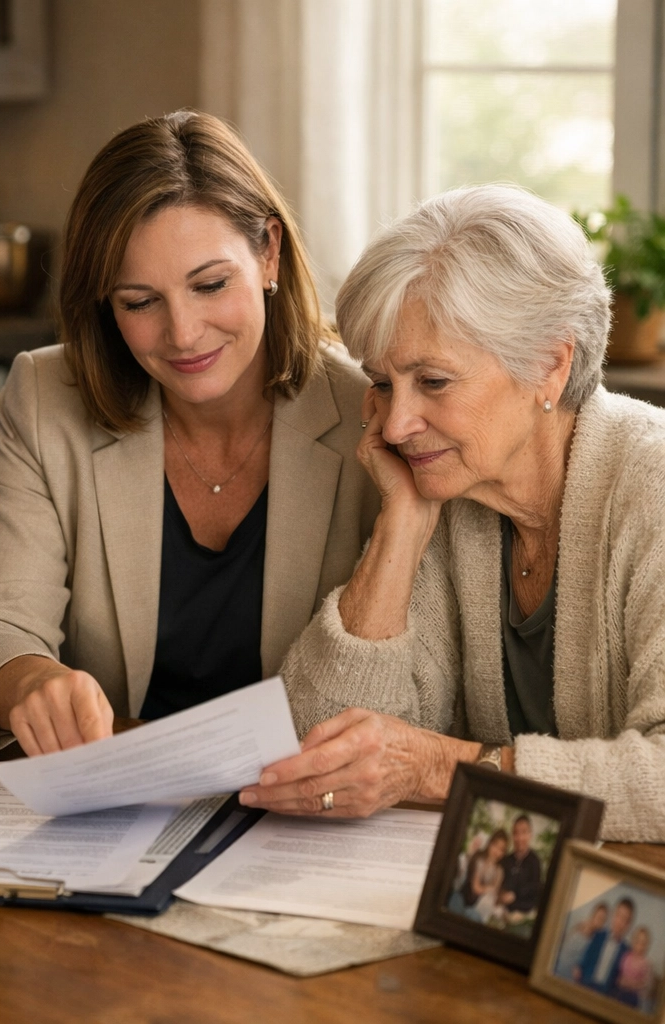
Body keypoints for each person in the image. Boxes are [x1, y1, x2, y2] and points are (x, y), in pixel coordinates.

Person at [0, 111, 378, 755]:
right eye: (139, 301)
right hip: (122, 804)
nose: (183, 333)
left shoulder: (370, 409)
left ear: (269, 253)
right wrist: (30, 679)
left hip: (305, 806)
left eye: (210, 284)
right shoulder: (44, 398)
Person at [239, 183, 665, 842]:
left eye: (433, 382)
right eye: (382, 383)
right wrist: (401, 528)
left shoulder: (652, 485)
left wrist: (446, 768)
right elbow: (319, 747)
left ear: (551, 367)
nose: (399, 423)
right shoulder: (453, 492)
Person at [575, 898, 634, 994]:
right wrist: (579, 967)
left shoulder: (626, 951)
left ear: (628, 925)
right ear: (613, 915)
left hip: (606, 993)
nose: (619, 922)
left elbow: (620, 978)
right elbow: (587, 955)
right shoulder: (598, 935)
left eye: (624, 919)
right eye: (618, 915)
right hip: (586, 983)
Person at [457, 829, 507, 925]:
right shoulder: (479, 861)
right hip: (465, 898)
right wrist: (490, 888)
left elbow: (494, 892)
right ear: (490, 844)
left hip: (481, 908)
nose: (497, 851)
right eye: (495, 845)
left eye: (501, 849)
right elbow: (476, 888)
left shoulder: (499, 870)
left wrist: (490, 889)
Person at [498, 816, 543, 918]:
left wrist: (515, 895)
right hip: (501, 911)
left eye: (523, 832)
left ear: (530, 835)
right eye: (515, 833)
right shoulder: (506, 860)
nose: (519, 838)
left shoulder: (535, 862)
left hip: (524, 914)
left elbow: (535, 890)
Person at [556, 903, 609, 980]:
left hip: (572, 974)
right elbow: (565, 948)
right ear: (593, 915)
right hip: (561, 967)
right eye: (599, 917)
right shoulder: (581, 927)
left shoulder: (596, 939)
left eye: (603, 920)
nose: (601, 922)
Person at [615, 925, 654, 1008]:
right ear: (633, 941)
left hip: (634, 996)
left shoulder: (646, 963)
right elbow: (619, 974)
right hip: (620, 991)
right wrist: (621, 981)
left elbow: (646, 985)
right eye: (637, 941)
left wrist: (634, 985)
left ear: (647, 946)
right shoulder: (626, 956)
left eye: (643, 943)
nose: (640, 946)